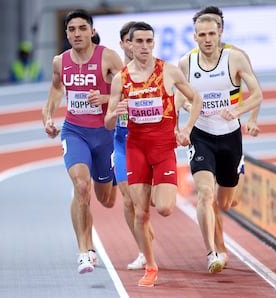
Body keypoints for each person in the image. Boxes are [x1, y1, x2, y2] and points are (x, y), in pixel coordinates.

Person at [104, 21, 202, 287]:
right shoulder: (120, 79)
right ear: (129, 44)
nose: (144, 46)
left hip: (163, 149)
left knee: (166, 208)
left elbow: (196, 99)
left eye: (149, 41)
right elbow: (109, 124)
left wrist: (187, 129)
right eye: (139, 42)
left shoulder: (168, 72)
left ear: (154, 43)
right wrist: (115, 111)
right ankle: (150, 265)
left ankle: (149, 251)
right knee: (140, 212)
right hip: (135, 148)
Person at [176, 14, 262, 274]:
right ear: (194, 37)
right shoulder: (186, 63)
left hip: (230, 137)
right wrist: (178, 127)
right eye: (202, 35)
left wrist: (239, 112)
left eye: (211, 34)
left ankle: (238, 171)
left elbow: (257, 94)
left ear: (220, 33)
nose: (207, 39)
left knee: (226, 202)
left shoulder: (234, 58)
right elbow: (178, 98)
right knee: (205, 193)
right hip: (201, 136)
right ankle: (212, 252)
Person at [41, 9, 123, 275]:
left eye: (82, 28)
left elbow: (129, 91)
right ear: (66, 33)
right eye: (72, 29)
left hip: (105, 134)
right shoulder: (60, 62)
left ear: (92, 31)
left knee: (106, 199)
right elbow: (56, 89)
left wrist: (106, 99)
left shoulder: (108, 57)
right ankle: (84, 251)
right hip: (75, 131)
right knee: (80, 186)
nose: (77, 34)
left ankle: (111, 181)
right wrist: (48, 117)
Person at [113, 21, 155, 271]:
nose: (137, 45)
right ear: (124, 43)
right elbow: (105, 102)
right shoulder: (115, 72)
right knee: (128, 200)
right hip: (121, 140)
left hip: (150, 141)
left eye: (143, 41)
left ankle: (145, 230)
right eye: (132, 41)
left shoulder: (154, 69)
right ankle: (143, 249)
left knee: (155, 203)